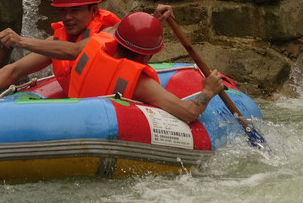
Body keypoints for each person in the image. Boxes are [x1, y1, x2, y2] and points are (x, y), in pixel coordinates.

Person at [68, 7, 227, 124]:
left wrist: (151, 21)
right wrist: (208, 90)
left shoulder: (93, 48)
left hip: (72, 118)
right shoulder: (141, 83)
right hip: (102, 133)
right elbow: (189, 112)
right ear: (145, 54)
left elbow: (130, 41)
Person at [0, 0, 119, 101]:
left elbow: (76, 51)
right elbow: (14, 70)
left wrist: (20, 41)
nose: (67, 17)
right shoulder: (57, 43)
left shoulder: (110, 34)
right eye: (63, 11)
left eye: (75, 10)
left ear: (93, 11)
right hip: (79, 108)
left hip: (111, 106)